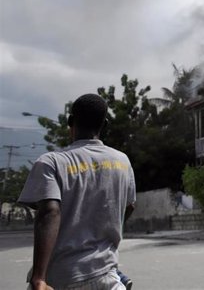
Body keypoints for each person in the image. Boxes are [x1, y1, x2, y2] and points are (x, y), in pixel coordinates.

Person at [18, 94, 136, 290]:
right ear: (104, 125)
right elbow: (129, 206)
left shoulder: (51, 162)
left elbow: (49, 211)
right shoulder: (122, 161)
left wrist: (39, 278)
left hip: (62, 278)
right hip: (108, 278)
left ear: (70, 122)